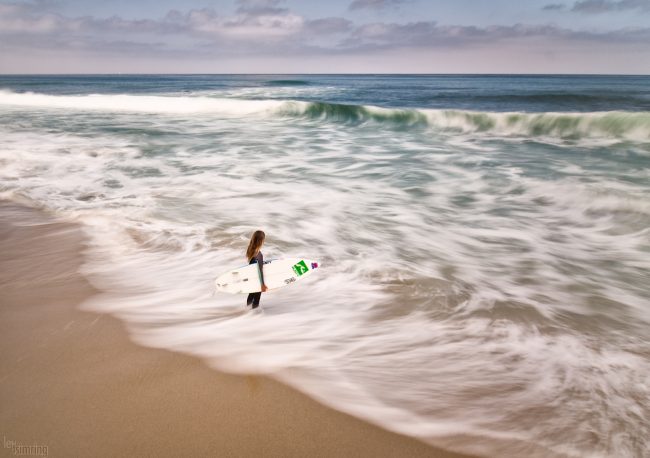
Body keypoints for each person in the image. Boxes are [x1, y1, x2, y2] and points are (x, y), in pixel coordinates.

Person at [246, 230, 268, 308]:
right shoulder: (259, 254)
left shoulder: (251, 250)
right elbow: (260, 270)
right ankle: (253, 312)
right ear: (261, 241)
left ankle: (247, 310)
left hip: (252, 278)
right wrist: (262, 284)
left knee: (251, 294)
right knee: (256, 299)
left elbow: (254, 265)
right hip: (258, 280)